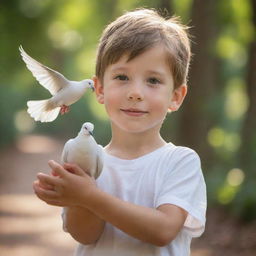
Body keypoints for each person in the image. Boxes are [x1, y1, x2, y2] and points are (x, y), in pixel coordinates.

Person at [33, 8, 207, 256]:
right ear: (100, 89)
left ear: (176, 97)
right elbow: (85, 235)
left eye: (153, 81)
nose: (135, 93)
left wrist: (89, 197)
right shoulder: (86, 158)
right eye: (122, 77)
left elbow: (163, 230)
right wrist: (77, 197)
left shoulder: (180, 161)